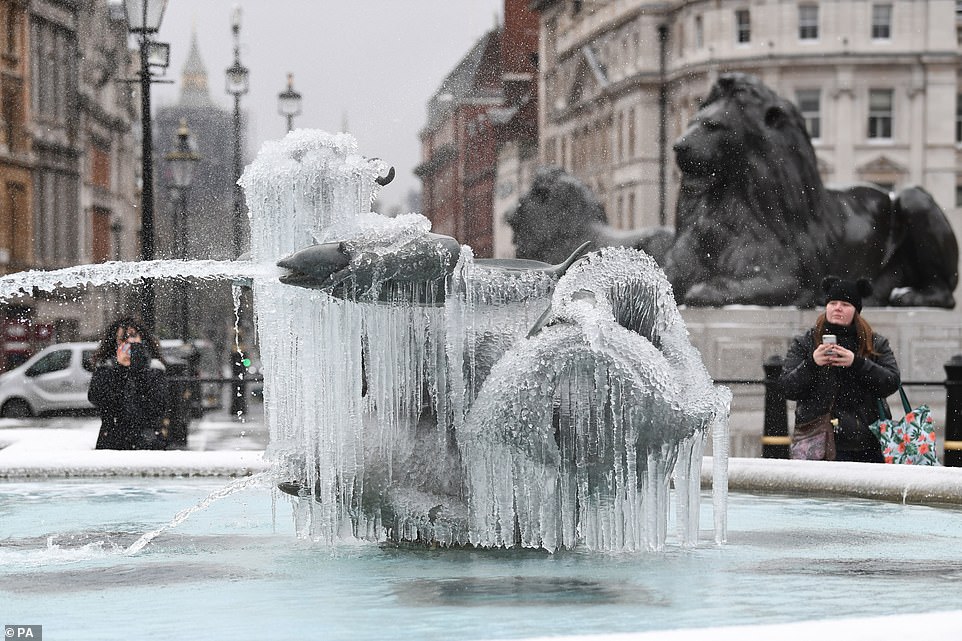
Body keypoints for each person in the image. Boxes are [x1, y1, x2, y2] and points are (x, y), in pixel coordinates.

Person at [779, 277, 901, 463]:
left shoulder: (875, 343)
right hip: (817, 440)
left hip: (868, 443)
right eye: (832, 303)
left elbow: (891, 382)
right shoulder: (805, 342)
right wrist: (812, 363)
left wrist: (857, 363)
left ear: (856, 311)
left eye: (845, 304)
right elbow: (787, 387)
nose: (837, 308)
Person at [89, 317, 169, 450]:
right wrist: (119, 371)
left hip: (148, 442)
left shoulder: (155, 370)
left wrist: (140, 371)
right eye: (123, 339)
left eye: (133, 336)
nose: (129, 343)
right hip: (113, 442)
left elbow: (158, 405)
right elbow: (98, 399)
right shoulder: (105, 368)